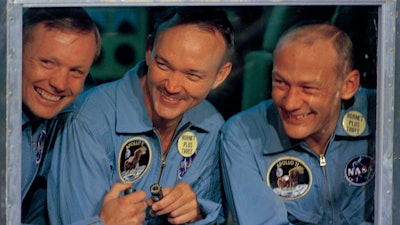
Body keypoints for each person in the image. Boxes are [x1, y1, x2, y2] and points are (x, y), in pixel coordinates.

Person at [47, 6, 234, 225]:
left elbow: (216, 218)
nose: (172, 87)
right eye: (163, 65)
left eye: (192, 75)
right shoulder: (88, 120)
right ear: (148, 51)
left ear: (220, 75)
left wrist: (197, 214)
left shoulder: (212, 126)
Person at [220, 23, 375, 224]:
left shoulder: (382, 116)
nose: (290, 103)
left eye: (308, 88)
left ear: (348, 86)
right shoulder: (243, 134)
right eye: (280, 83)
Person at [21, 7, 101, 224]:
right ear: (14, 54)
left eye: (76, 71)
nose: (59, 84)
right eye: (47, 62)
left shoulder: (58, 124)